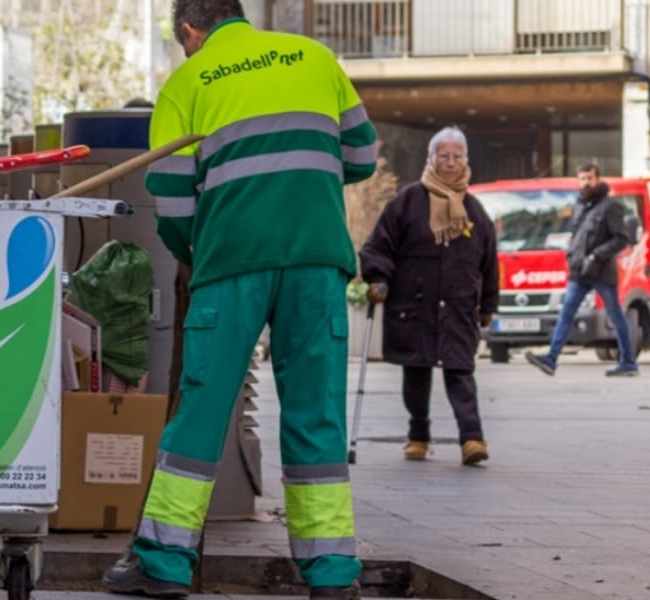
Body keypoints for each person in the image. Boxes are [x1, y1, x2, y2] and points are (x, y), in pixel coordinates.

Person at [100, 1, 378, 598]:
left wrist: (195, 251)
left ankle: (164, 563)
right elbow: (361, 157)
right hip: (317, 258)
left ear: (190, 31)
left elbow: (173, 199)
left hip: (230, 264)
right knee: (316, 413)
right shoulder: (315, 57)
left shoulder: (187, 82)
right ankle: (331, 574)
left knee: (201, 411)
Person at [358, 127, 498, 467]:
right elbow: (380, 246)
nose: (450, 163)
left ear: (466, 160)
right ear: (431, 159)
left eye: (457, 156)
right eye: (444, 156)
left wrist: (488, 305)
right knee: (416, 373)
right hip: (414, 304)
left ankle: (472, 439)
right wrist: (377, 278)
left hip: (459, 306)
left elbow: (489, 262)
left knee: (460, 373)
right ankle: (418, 435)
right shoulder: (408, 201)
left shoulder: (474, 210)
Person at [526, 164, 638, 377]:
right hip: (580, 271)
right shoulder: (579, 205)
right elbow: (576, 236)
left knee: (615, 315)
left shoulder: (610, 206)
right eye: (582, 178)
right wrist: (571, 256)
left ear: (598, 179)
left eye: (589, 178)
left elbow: (621, 239)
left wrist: (597, 255)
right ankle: (551, 358)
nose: (586, 182)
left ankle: (628, 362)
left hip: (602, 272)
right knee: (566, 313)